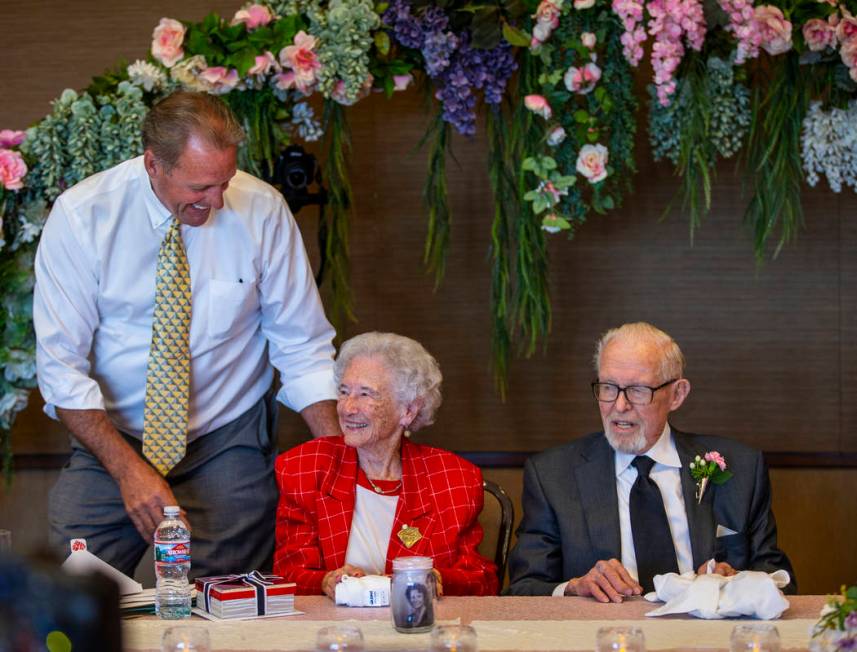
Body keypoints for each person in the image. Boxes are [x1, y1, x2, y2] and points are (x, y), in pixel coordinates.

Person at [33, 91, 340, 578]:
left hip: (228, 434)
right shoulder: (82, 216)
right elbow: (60, 368)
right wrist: (130, 471)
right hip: (113, 435)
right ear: (153, 164)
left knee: (221, 602)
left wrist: (341, 462)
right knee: (73, 587)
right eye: (200, 187)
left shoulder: (263, 210)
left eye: (225, 181)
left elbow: (302, 346)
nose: (217, 201)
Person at [507, 322, 795, 601]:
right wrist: (574, 587)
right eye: (608, 387)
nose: (619, 406)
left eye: (637, 390)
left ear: (677, 394)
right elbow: (523, 589)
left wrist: (739, 581)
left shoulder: (740, 468)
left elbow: (780, 579)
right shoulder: (553, 475)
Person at [274, 332, 498, 597]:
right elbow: (288, 572)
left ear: (408, 411)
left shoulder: (453, 479)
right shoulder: (305, 467)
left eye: (366, 394)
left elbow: (482, 580)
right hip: (334, 630)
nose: (347, 408)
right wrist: (324, 582)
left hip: (418, 627)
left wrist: (438, 579)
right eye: (344, 392)